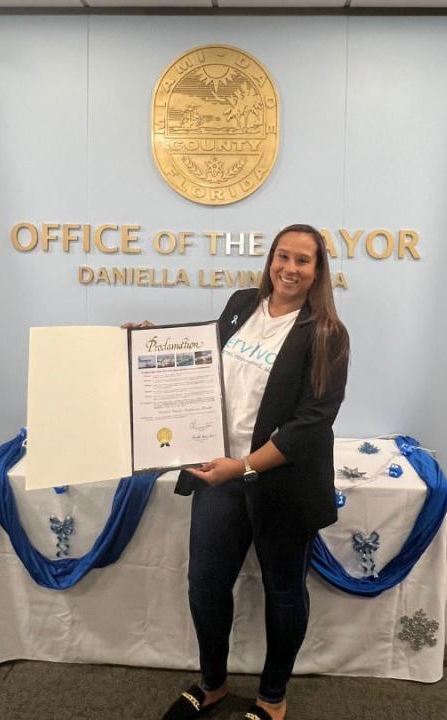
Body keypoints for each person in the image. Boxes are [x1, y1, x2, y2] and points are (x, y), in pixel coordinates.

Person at [152, 224, 350, 720]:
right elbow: (201, 362)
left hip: (280, 485)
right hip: (218, 473)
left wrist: (243, 465)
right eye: (282, 256)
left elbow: (311, 423)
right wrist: (147, 346)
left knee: (284, 592)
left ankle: (272, 699)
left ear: (318, 271)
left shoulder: (326, 334)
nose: (289, 268)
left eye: (303, 260)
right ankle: (213, 684)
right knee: (205, 584)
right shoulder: (242, 304)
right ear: (269, 261)